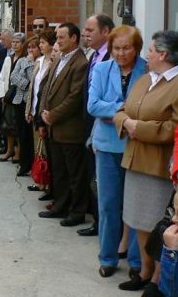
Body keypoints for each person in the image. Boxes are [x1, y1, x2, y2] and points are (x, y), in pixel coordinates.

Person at [114, 30, 178, 297]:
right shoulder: (145, 79)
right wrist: (125, 122)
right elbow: (123, 109)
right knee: (138, 220)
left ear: (162, 54)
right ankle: (144, 271)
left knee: (159, 224)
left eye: (150, 50)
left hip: (159, 165)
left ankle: (159, 278)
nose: (146, 54)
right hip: (135, 159)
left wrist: (141, 128)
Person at [87, 25, 146, 279]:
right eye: (116, 48)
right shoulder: (101, 69)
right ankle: (108, 257)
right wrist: (123, 110)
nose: (121, 54)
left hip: (136, 146)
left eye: (127, 48)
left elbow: (147, 109)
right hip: (107, 146)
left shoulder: (147, 70)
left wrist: (111, 112)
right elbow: (92, 105)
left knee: (134, 206)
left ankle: (135, 262)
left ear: (137, 49)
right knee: (109, 204)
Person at [38, 23, 89, 228]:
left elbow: (75, 96)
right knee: (58, 171)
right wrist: (43, 114)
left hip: (69, 128)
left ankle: (77, 212)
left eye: (61, 38)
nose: (57, 41)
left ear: (74, 38)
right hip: (53, 126)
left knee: (74, 174)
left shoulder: (80, 63)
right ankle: (60, 205)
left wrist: (53, 116)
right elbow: (47, 88)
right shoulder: (59, 58)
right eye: (57, 38)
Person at [79, 13, 115, 237]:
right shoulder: (94, 56)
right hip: (90, 123)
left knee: (101, 180)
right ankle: (97, 220)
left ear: (106, 32)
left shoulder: (112, 58)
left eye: (90, 30)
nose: (85, 33)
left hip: (104, 126)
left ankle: (103, 224)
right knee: (92, 175)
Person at [26, 28, 56, 193]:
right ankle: (40, 180)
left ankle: (47, 184)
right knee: (37, 147)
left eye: (43, 42)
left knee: (45, 148)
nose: (40, 45)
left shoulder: (53, 63)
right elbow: (33, 87)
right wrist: (29, 109)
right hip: (35, 109)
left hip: (44, 112)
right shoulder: (38, 62)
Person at [8, 35, 36, 175]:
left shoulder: (38, 62)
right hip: (20, 101)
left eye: (33, 47)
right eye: (29, 47)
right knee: (22, 135)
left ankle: (32, 165)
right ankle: (24, 164)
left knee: (31, 136)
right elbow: (13, 76)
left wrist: (30, 66)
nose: (31, 50)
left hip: (32, 103)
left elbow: (34, 80)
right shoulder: (22, 60)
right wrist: (26, 84)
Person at [0, 32, 26, 161]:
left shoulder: (25, 59)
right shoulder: (8, 58)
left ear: (23, 44)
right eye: (13, 42)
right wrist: (2, 95)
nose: (15, 44)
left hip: (19, 96)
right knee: (7, 125)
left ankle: (19, 152)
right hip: (8, 96)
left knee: (17, 125)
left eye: (18, 42)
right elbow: (2, 78)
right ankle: (9, 150)